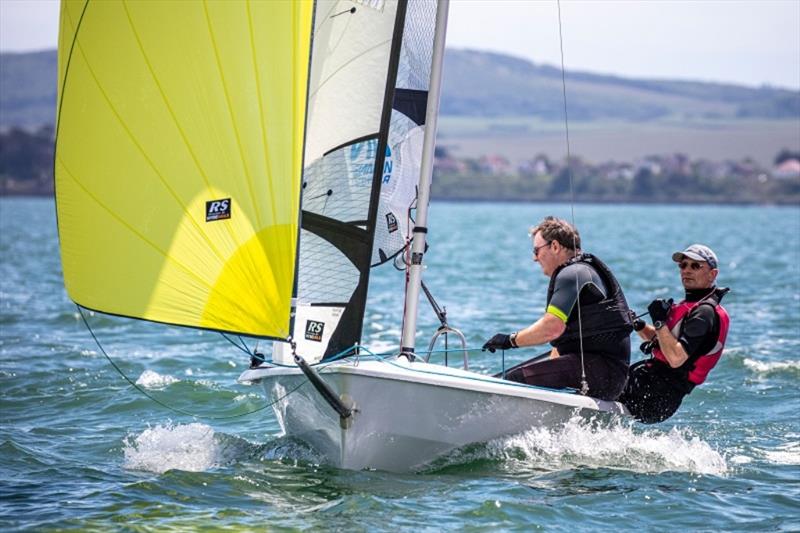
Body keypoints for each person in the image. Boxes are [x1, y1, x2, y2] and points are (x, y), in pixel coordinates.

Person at [483, 216, 633, 401]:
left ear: (554, 246)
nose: (534, 258)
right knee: (525, 377)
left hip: (601, 372)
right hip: (605, 375)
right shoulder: (581, 271)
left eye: (536, 250)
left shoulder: (573, 274)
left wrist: (510, 340)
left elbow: (552, 328)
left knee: (516, 380)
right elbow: (562, 341)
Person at [618, 244, 730, 423]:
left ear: (713, 274)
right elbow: (665, 341)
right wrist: (639, 325)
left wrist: (660, 321)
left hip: (657, 397)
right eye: (683, 265)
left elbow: (676, 357)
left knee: (598, 376)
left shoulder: (704, 313)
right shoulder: (693, 306)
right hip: (652, 388)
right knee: (602, 375)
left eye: (695, 266)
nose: (687, 270)